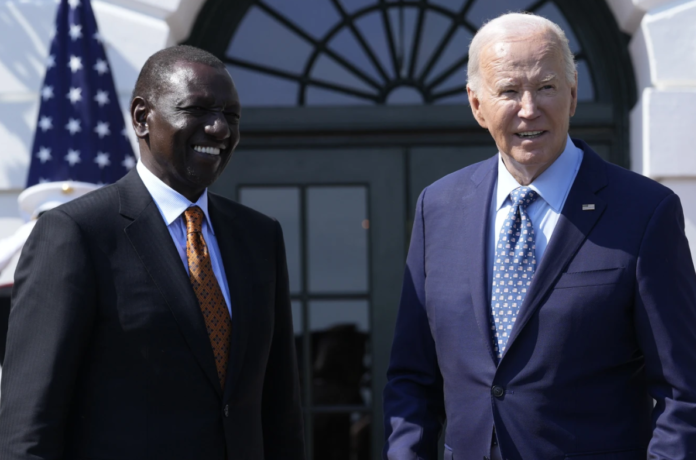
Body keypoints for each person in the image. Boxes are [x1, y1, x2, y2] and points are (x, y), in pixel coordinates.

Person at [383, 13, 696, 460]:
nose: (529, 108)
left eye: (546, 87)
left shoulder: (645, 211)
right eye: (509, 91)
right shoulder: (439, 207)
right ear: (477, 105)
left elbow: (684, 391)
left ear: (572, 96)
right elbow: (412, 380)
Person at [0, 45, 305, 459]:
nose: (219, 129)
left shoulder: (259, 237)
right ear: (143, 118)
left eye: (230, 116)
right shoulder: (77, 233)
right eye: (198, 110)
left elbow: (278, 408)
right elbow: (30, 424)